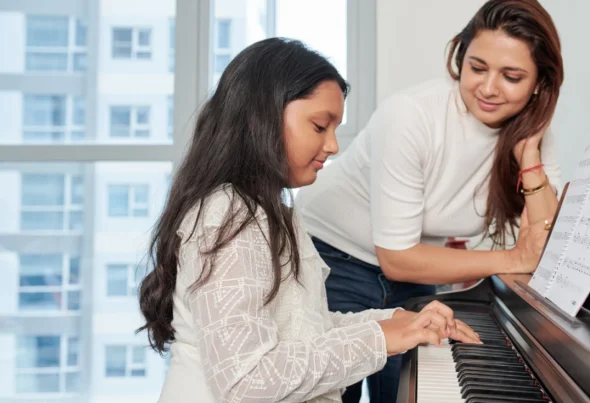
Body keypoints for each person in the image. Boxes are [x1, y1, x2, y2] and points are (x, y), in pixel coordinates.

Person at [136, 37, 481, 403]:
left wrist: (397, 320)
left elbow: (302, 329)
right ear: (262, 118)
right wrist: (380, 338)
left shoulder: (267, 211)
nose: (333, 145)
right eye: (320, 126)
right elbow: (247, 381)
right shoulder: (227, 217)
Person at [294, 0, 565, 401]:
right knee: (334, 396)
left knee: (401, 393)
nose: (489, 88)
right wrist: (511, 258)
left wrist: (528, 158)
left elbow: (544, 246)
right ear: (460, 58)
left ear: (540, 82)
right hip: (333, 261)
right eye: (476, 68)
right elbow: (398, 256)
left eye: (511, 76)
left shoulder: (533, 136)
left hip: (414, 274)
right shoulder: (411, 116)